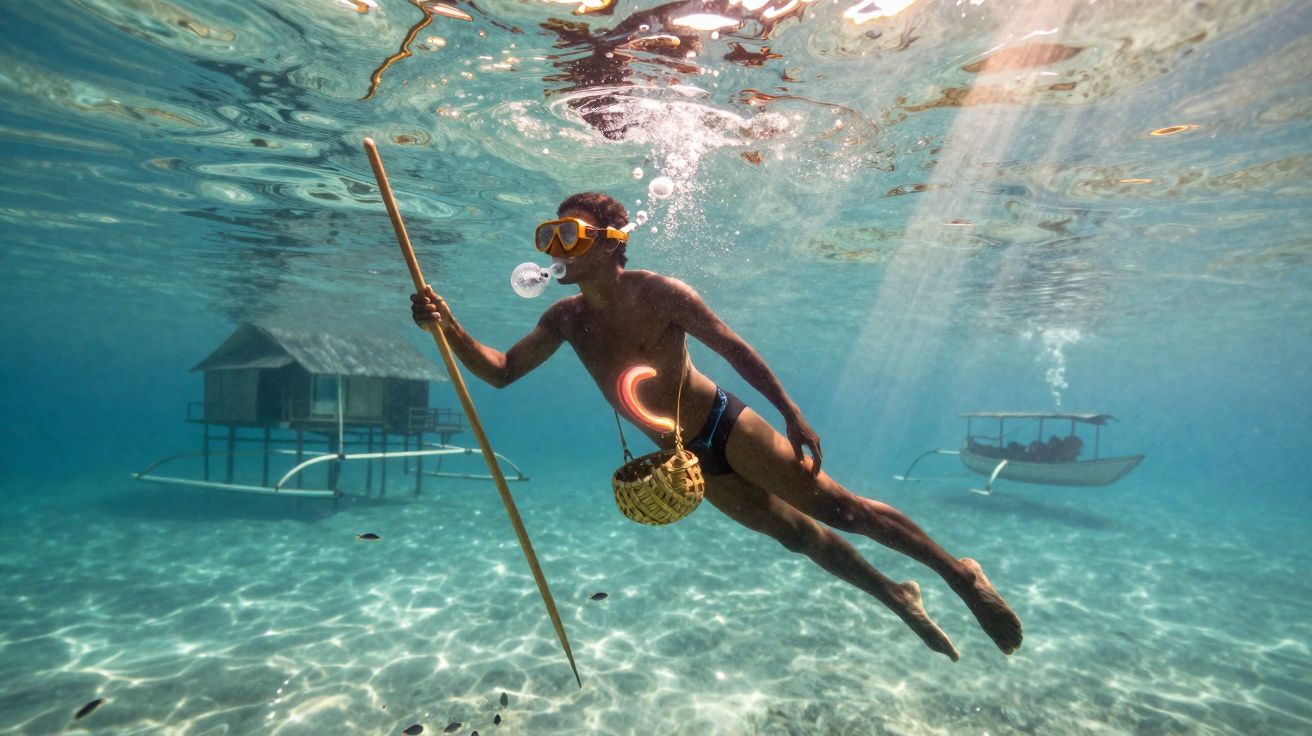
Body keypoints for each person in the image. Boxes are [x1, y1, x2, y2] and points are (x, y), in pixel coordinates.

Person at [409, 192, 1022, 660]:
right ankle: (896, 595)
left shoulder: (661, 293)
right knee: (797, 537)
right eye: (549, 235)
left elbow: (733, 349)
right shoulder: (564, 319)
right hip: (684, 459)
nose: (554, 249)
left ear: (610, 244)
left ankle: (960, 574)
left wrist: (791, 412)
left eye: (567, 234)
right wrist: (447, 325)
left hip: (725, 426)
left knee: (842, 511)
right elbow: (502, 371)